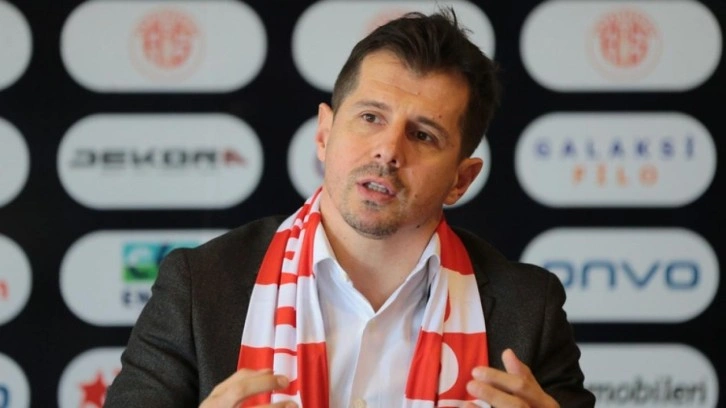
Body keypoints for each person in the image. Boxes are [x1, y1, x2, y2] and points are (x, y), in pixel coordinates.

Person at [105, 7, 595, 408]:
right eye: (370, 117)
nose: (388, 151)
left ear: (460, 180)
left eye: (423, 135)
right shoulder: (200, 286)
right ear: (324, 134)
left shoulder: (528, 309)